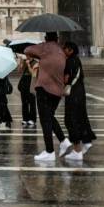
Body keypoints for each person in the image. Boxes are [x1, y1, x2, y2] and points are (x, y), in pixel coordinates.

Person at [25, 33, 68, 163]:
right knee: (49, 116)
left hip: (44, 88)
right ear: (57, 39)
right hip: (58, 90)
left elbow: (27, 50)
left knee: (45, 120)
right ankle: (63, 141)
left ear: (45, 38)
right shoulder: (60, 50)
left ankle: (49, 151)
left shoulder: (45, 48)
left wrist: (39, 51)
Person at [61, 42, 95, 162]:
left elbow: (66, 78)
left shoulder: (69, 61)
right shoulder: (77, 60)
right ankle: (86, 140)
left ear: (70, 50)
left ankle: (77, 150)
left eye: (64, 48)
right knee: (81, 117)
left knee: (70, 120)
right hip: (80, 92)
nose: (63, 50)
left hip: (73, 94)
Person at [16, 54, 37, 128]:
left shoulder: (35, 62)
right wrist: (21, 62)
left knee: (32, 102)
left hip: (31, 82)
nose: (27, 56)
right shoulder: (24, 61)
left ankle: (32, 119)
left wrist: (28, 64)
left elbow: (33, 74)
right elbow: (19, 71)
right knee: (24, 102)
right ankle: (25, 118)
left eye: (28, 54)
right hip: (24, 83)